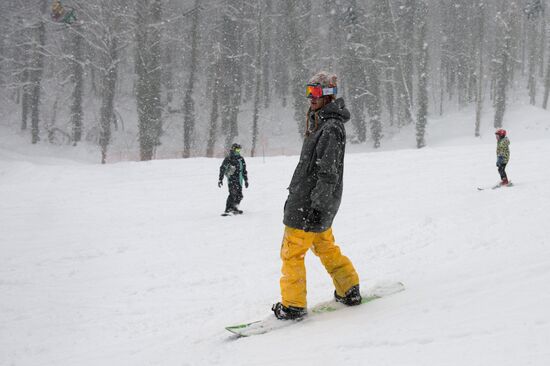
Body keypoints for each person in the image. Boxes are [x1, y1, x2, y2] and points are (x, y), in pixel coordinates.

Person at [272, 71, 361, 320]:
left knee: (292, 252)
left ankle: (293, 305)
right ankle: (349, 288)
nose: (311, 97)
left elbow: (327, 172)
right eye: (309, 91)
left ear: (329, 95)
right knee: (324, 245)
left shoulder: (329, 128)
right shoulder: (322, 122)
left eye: (316, 92)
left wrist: (316, 205)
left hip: (308, 204)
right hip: (316, 203)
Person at [218, 143, 249, 215]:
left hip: (239, 180)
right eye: (237, 150)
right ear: (233, 149)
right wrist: (220, 179)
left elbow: (244, 170)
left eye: (239, 150)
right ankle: (228, 209)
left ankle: (234, 207)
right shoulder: (229, 158)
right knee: (232, 194)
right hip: (232, 180)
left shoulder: (241, 159)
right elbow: (222, 168)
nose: (238, 151)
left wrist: (246, 180)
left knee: (239, 195)